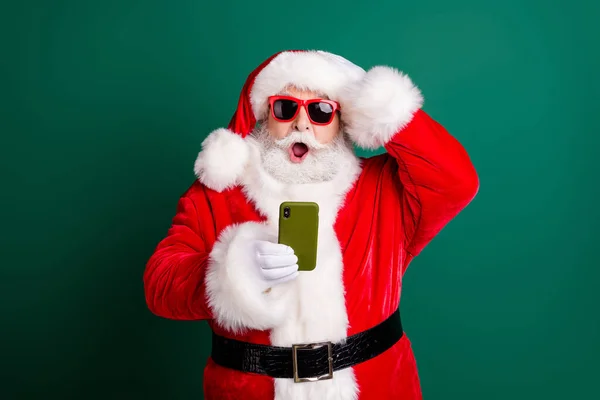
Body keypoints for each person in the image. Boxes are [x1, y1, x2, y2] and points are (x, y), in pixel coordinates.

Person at [143, 49, 479, 400]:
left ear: (342, 120)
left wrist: (382, 108)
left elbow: (457, 181)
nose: (301, 124)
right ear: (264, 115)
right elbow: (159, 284)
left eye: (320, 111)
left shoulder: (384, 189)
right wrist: (230, 272)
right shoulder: (218, 194)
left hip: (377, 385)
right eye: (286, 108)